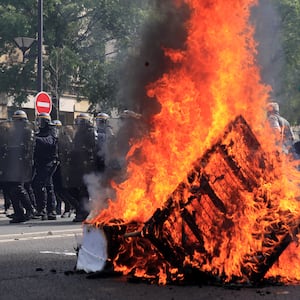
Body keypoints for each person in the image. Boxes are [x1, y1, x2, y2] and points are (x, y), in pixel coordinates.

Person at [5, 110, 37, 223]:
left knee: (18, 186)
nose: (14, 122)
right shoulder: (13, 132)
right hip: (13, 162)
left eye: (16, 120)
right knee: (10, 187)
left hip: (23, 163)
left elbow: (27, 148)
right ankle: (18, 212)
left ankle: (30, 209)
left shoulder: (28, 131)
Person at [32, 113, 58, 220]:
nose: (39, 123)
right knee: (46, 185)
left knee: (41, 185)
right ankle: (48, 210)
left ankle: (45, 210)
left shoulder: (52, 133)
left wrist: (35, 139)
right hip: (40, 163)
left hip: (49, 163)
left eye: (41, 121)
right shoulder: (39, 134)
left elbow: (49, 143)